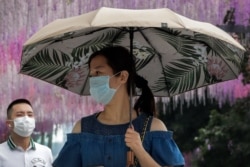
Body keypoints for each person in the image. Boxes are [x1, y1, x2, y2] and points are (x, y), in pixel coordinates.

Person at [53, 46, 185, 167]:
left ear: (122, 76)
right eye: (91, 76)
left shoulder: (154, 128)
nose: (93, 81)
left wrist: (139, 149)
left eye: (98, 73)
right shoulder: (82, 129)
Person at [0, 98, 53, 167]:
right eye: (20, 115)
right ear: (9, 123)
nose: (26, 119)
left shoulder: (46, 152)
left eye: (30, 115)